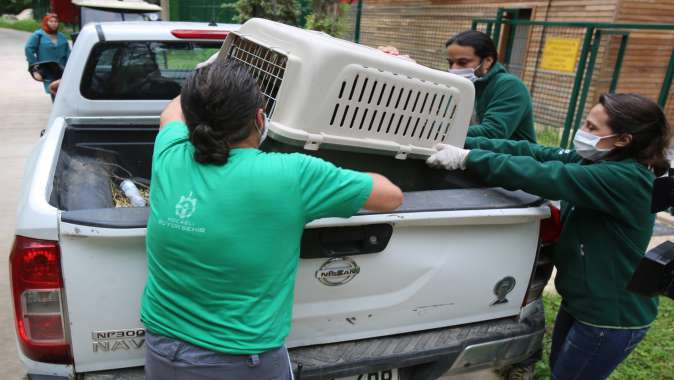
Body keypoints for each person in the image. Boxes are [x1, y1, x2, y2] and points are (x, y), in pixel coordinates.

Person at [140, 60, 403, 380]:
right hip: (239, 361)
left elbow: (170, 112)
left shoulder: (169, 152)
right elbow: (390, 196)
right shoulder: (292, 174)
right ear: (259, 118)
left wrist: (205, 76)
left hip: (161, 349)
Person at [426, 93, 669, 379]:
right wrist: (466, 142)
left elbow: (545, 175)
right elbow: (534, 153)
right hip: (582, 302)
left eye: (592, 128)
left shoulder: (625, 178)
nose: (583, 132)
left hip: (610, 316)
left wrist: (468, 159)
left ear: (623, 140)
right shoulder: (597, 161)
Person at [379, 30, 536, 142]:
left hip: (511, 164)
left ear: (487, 61)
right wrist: (395, 64)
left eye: (462, 62)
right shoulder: (460, 85)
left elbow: (493, 133)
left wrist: (436, 131)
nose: (454, 69)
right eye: (451, 63)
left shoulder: (509, 86)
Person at [24, 13, 70, 101]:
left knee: (64, 91)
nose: (54, 23)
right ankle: (57, 111)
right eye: (51, 21)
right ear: (46, 22)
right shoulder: (38, 35)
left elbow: (68, 52)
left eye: (56, 21)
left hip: (63, 68)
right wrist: (34, 66)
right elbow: (28, 49)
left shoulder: (62, 36)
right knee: (54, 91)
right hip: (48, 68)